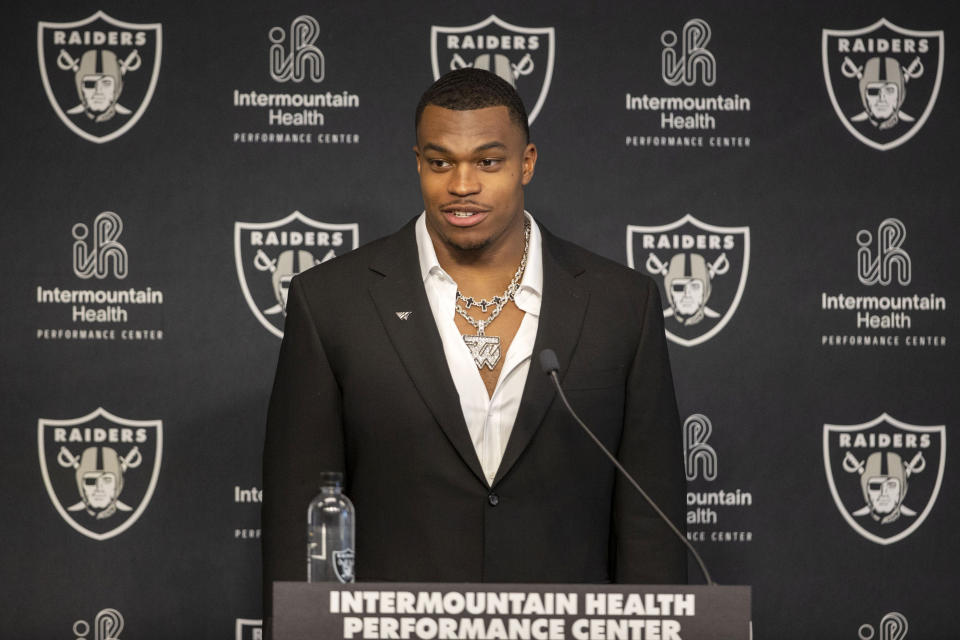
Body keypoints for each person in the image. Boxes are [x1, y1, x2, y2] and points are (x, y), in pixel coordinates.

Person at [261, 68, 686, 621]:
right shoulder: (330, 301)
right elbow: (299, 523)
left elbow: (651, 528)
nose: (462, 185)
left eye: (488, 161)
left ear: (526, 162)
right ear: (418, 163)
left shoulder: (621, 304)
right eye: (441, 163)